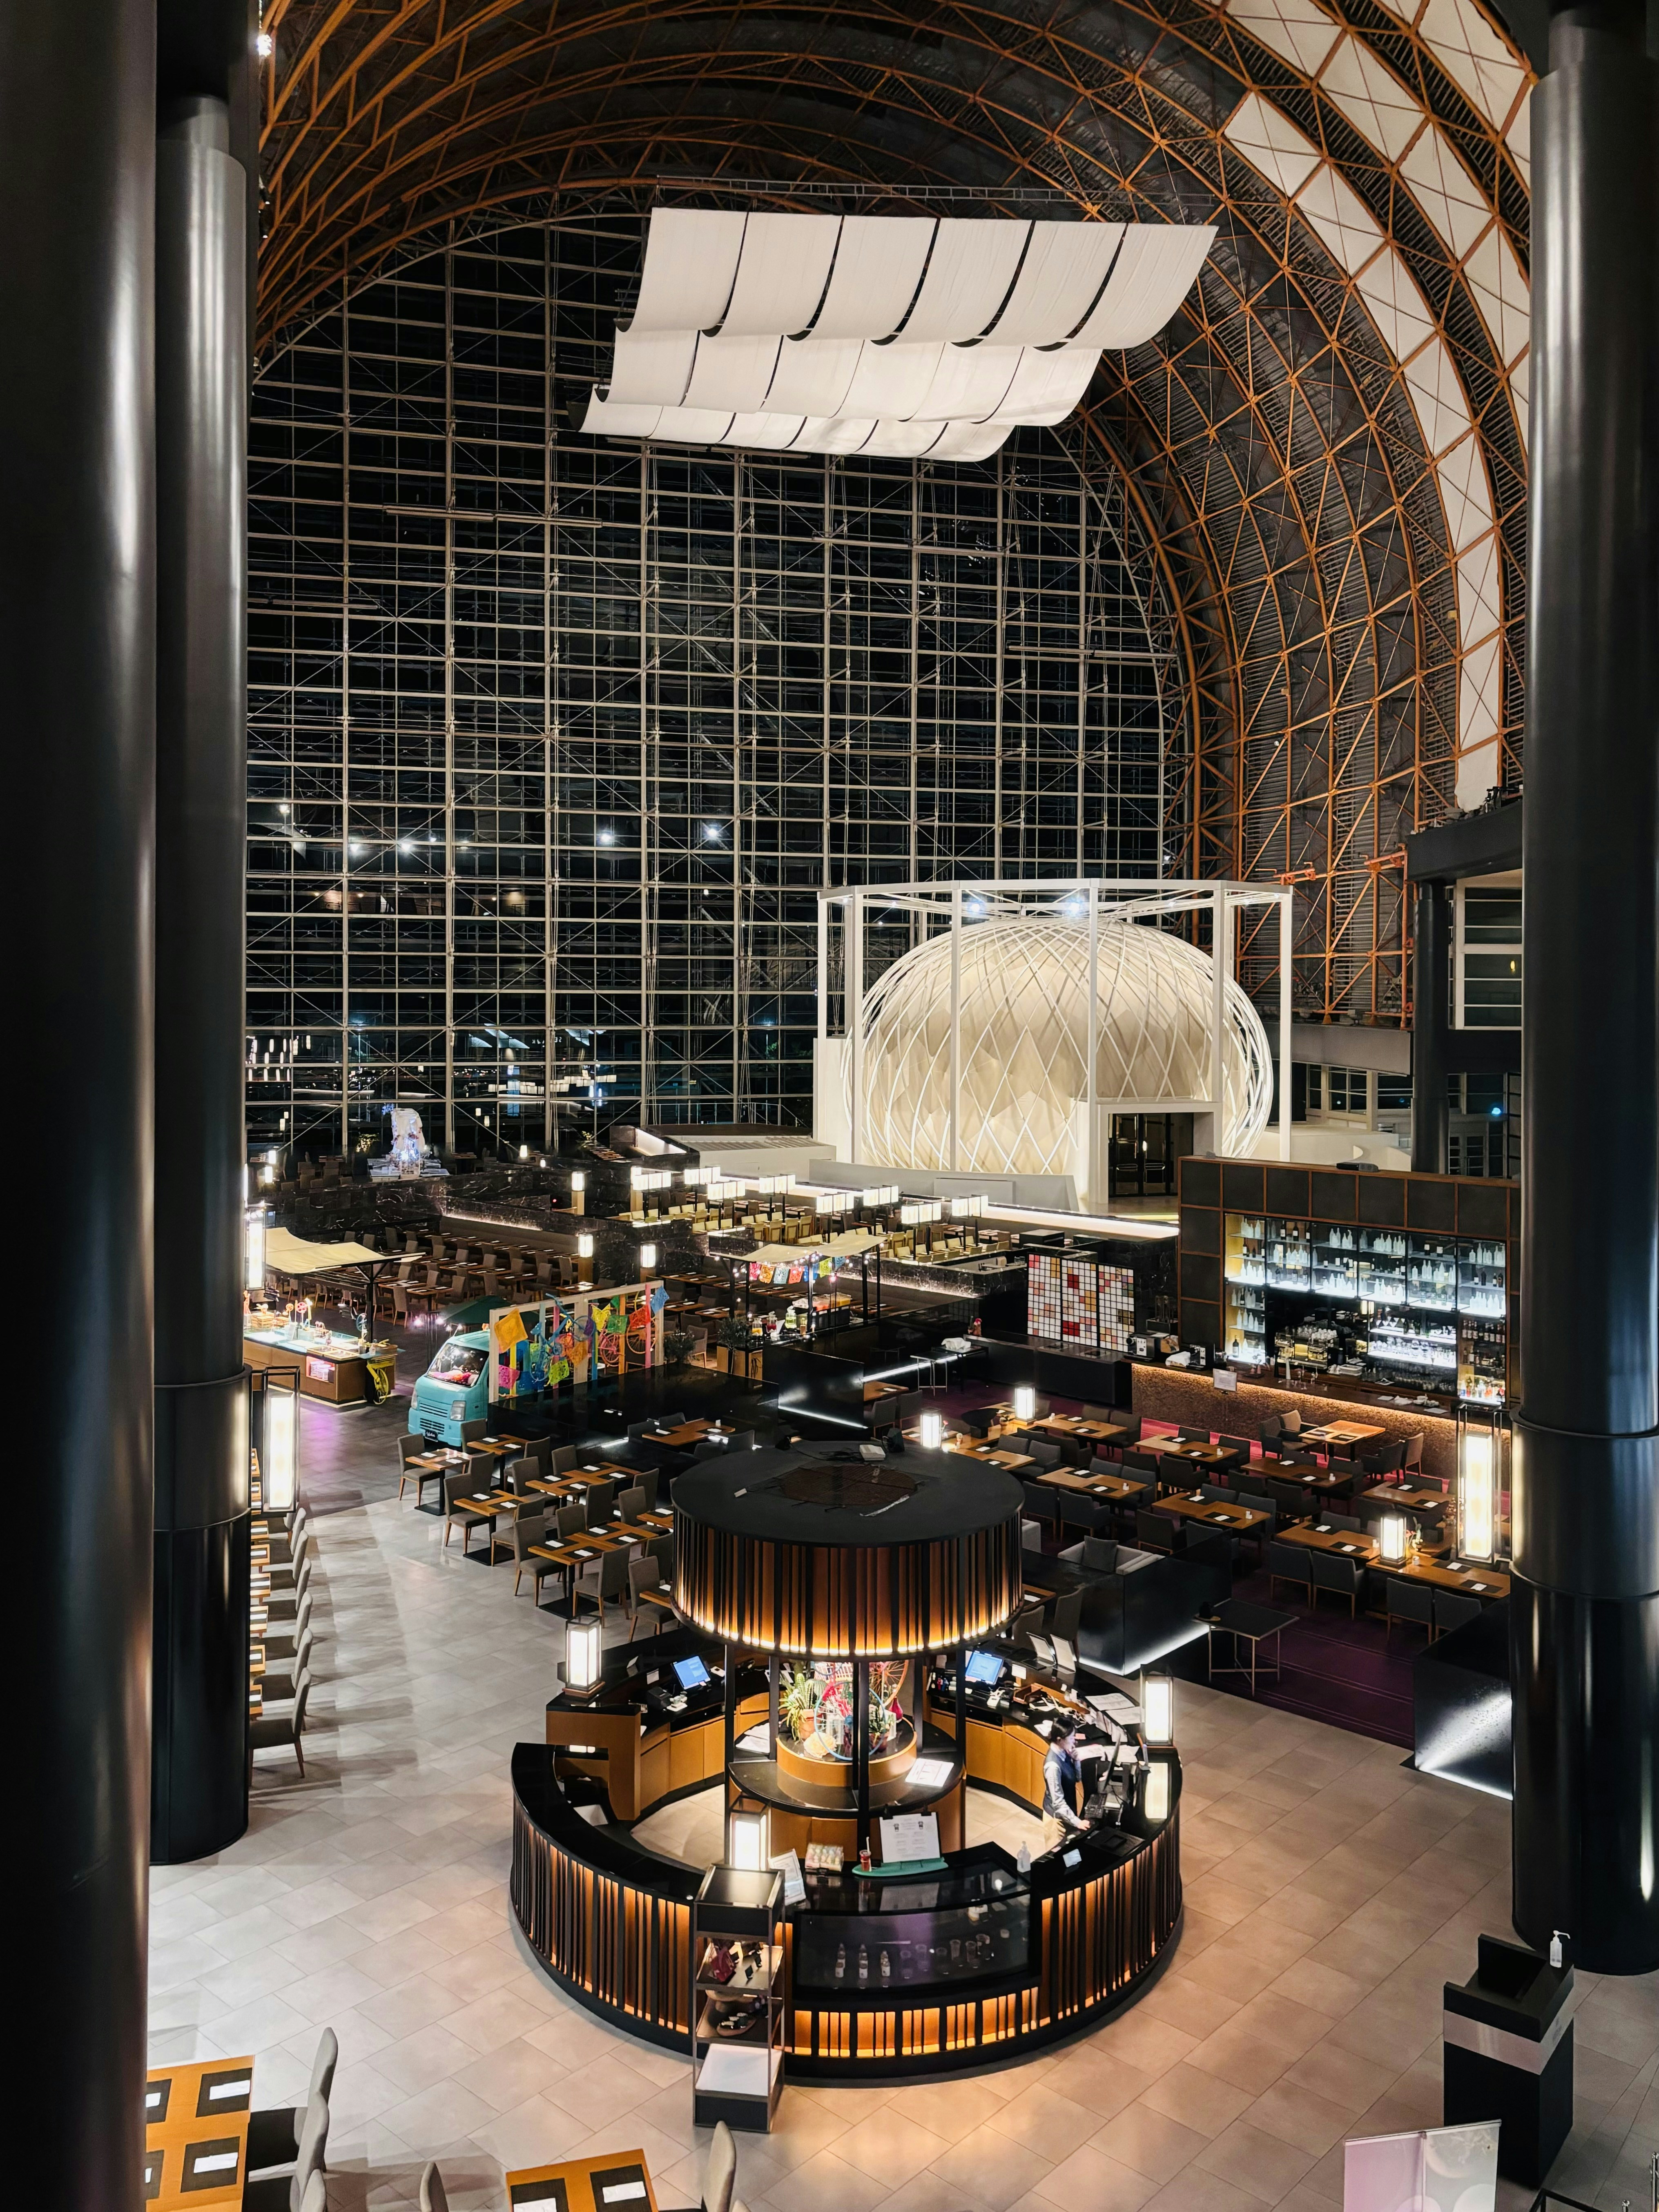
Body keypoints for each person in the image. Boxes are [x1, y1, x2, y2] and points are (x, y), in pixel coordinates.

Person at [1041, 1722, 1090, 1851]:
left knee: (1070, 1855)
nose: (1074, 1741)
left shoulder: (1064, 1752)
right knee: (1056, 1861)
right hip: (1056, 1822)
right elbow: (1058, 1803)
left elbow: (1077, 1779)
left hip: (1068, 1814)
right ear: (1060, 1740)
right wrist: (1077, 1822)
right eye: (1072, 1738)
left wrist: (1076, 1760)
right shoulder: (1053, 1766)